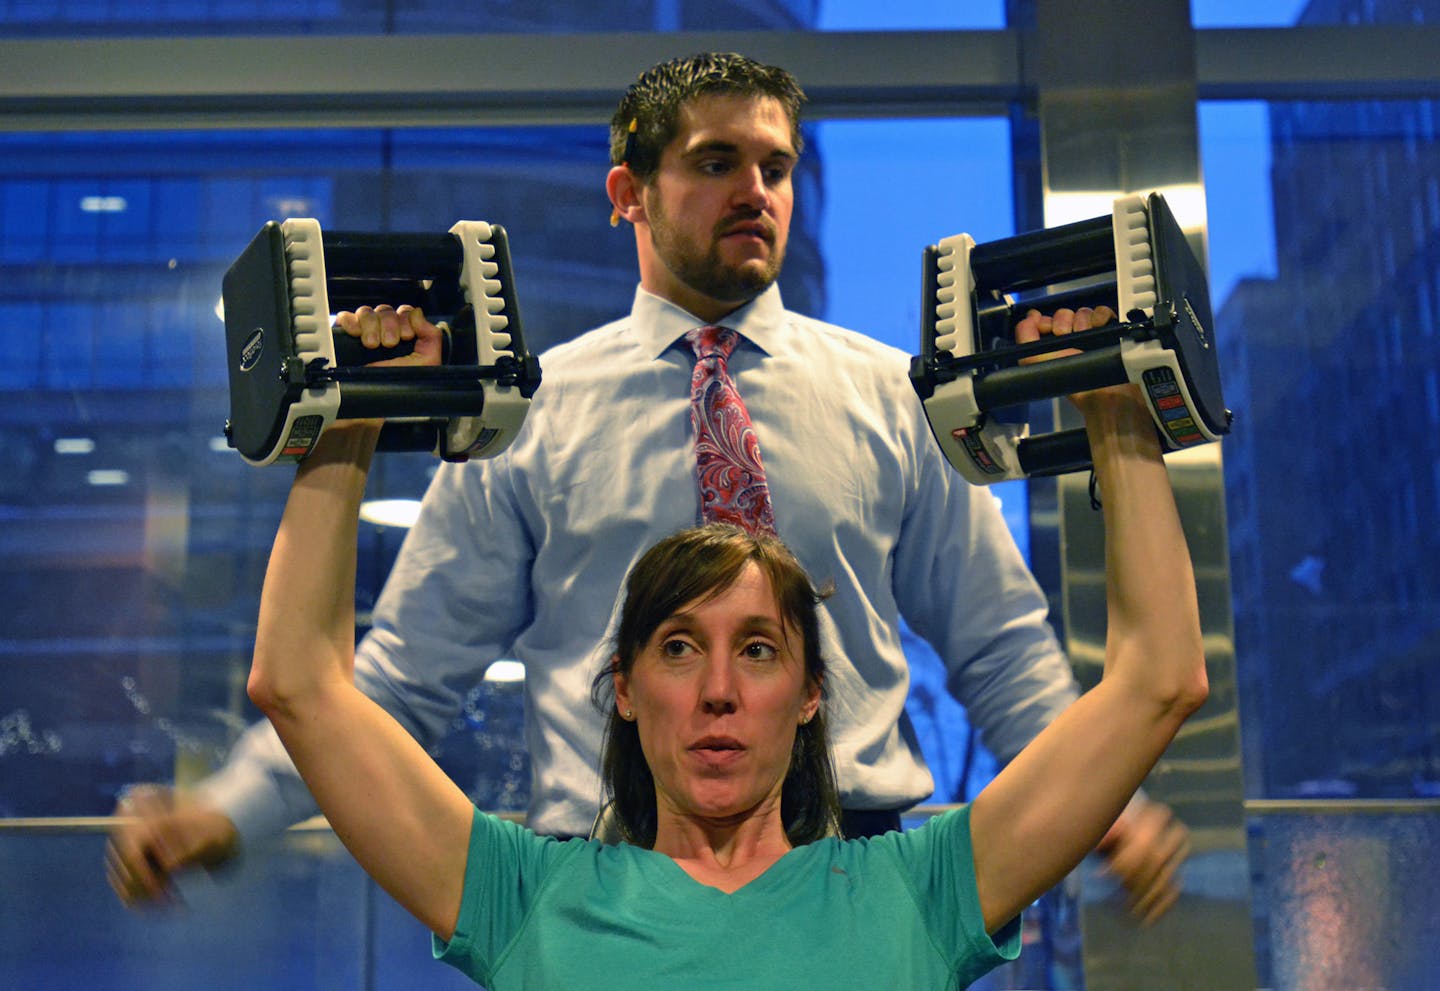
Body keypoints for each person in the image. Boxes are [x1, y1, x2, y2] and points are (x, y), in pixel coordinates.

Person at [107, 51, 1189, 923]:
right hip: (594, 888)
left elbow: (998, 643)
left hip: (859, 883)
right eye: (718, 161)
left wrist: (1106, 803)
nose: (756, 192)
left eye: (775, 167)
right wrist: (229, 811)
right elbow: (399, 681)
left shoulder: (889, 396)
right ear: (630, 192)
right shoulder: (534, 415)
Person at [209, 301, 1206, 989]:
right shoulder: (523, 893)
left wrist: (1114, 416)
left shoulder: (925, 888)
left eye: (761, 650)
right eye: (680, 649)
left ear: (814, 692)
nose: (719, 690)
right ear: (626, 689)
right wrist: (344, 425)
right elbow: (300, 684)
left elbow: (1158, 682)